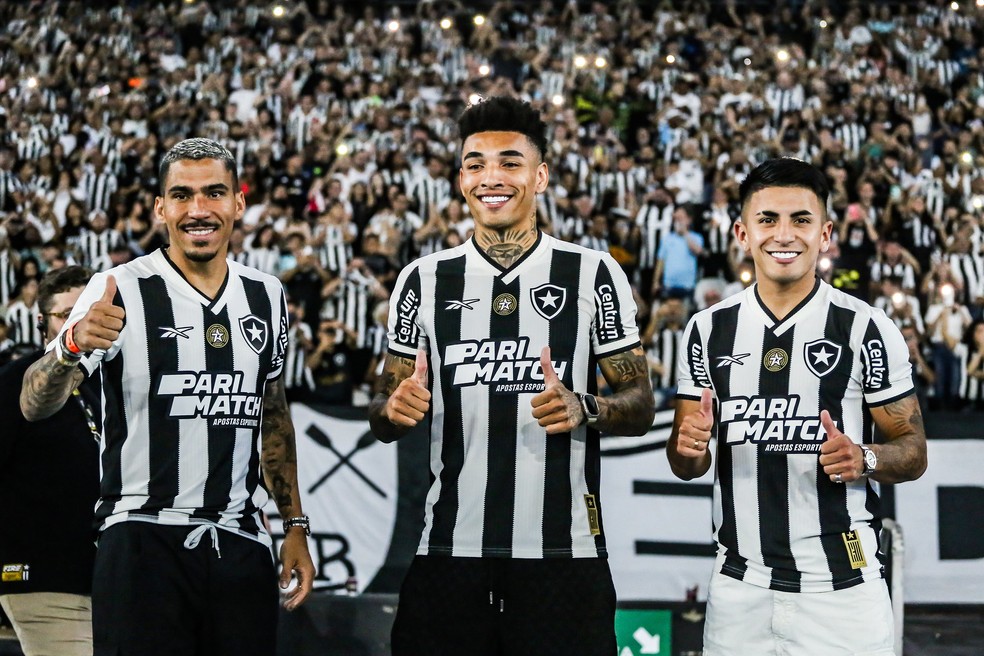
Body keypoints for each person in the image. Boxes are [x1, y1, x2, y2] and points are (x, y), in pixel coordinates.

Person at [368, 96, 655, 656]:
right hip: (448, 554)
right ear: (460, 178)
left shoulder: (592, 273)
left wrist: (584, 407)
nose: (491, 177)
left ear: (540, 175)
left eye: (509, 162)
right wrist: (391, 409)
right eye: (475, 164)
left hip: (563, 557)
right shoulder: (423, 279)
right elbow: (382, 414)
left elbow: (640, 404)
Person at [19, 138, 315, 655]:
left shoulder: (267, 295)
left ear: (238, 203)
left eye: (214, 193)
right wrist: (69, 346)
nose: (198, 210)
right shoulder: (117, 287)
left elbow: (272, 416)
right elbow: (33, 403)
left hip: (240, 544)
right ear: (160, 208)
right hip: (140, 540)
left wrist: (293, 526)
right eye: (181, 195)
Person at [667, 158, 927, 656]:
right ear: (742, 233)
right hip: (739, 591)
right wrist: (689, 448)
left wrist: (865, 458)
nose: (783, 234)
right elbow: (687, 464)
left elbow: (913, 450)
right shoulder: (706, 329)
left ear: (826, 233)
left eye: (801, 220)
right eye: (767, 219)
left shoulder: (867, 328)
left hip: (844, 594)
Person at [0, 265, 99, 656]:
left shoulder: (98, 389)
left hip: (101, 581)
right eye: (66, 316)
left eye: (86, 313)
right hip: (42, 579)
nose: (79, 324)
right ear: (43, 322)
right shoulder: (15, 379)